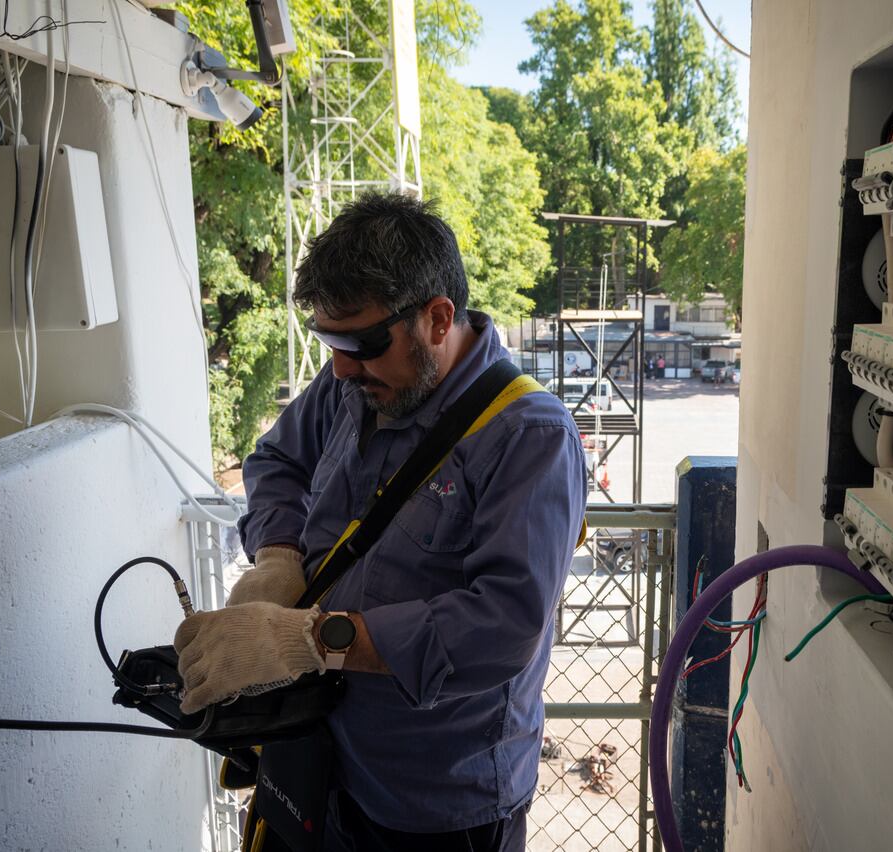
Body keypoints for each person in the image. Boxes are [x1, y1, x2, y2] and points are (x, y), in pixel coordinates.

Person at [172, 193, 587, 851]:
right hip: (322, 763)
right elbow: (276, 459)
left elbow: (504, 626)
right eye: (329, 341)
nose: (340, 366)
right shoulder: (356, 383)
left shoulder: (528, 437)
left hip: (433, 803)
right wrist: (278, 557)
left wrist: (310, 639)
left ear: (438, 318)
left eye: (361, 342)